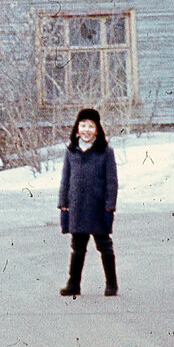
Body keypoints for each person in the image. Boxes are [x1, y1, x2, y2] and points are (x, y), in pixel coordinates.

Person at [57, 108, 118, 297]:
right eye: (83, 125)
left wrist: (110, 205)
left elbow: (112, 181)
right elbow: (65, 179)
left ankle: (111, 284)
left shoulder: (105, 152)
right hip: (76, 207)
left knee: (104, 245)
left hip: (98, 207)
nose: (86, 130)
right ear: (77, 129)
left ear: (97, 130)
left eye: (91, 126)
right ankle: (73, 284)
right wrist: (63, 202)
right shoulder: (71, 152)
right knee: (77, 247)